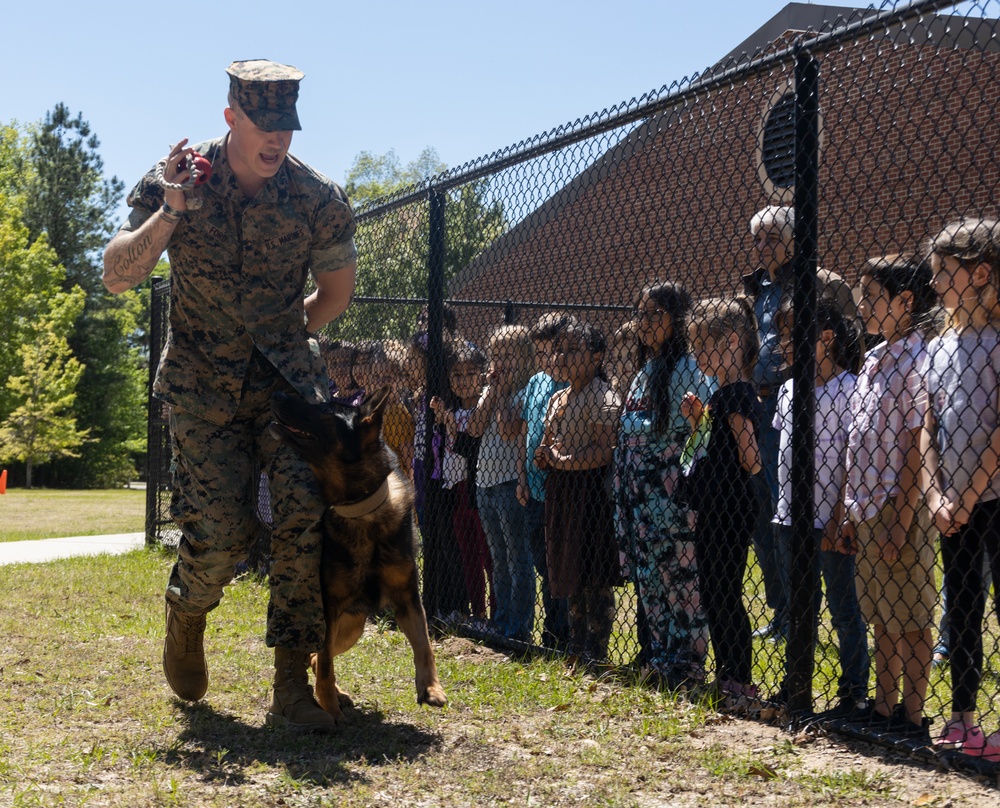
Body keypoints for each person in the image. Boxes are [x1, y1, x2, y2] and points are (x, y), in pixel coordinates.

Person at [103, 60, 357, 732]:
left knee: (305, 509)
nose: (278, 140)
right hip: (200, 388)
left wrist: (279, 334)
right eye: (264, 125)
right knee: (218, 534)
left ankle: (291, 688)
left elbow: (334, 295)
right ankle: (187, 613)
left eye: (287, 127)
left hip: (284, 389)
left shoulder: (318, 199)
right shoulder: (179, 180)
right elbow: (117, 276)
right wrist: (171, 211)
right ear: (230, 118)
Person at [744, 206, 857, 642]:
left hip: (816, 401)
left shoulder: (822, 281)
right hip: (765, 406)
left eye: (772, 237)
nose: (762, 246)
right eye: (757, 239)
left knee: (811, 511)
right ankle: (785, 612)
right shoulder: (755, 288)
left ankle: (814, 614)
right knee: (772, 516)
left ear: (794, 241)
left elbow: (851, 340)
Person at [840, 254, 938, 740]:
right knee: (881, 614)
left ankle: (914, 716)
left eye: (872, 297)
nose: (862, 306)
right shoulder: (875, 357)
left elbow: (916, 449)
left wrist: (901, 518)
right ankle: (884, 708)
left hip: (901, 507)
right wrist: (846, 508)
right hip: (865, 506)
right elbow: (857, 438)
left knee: (913, 616)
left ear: (906, 301)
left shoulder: (919, 360)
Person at [921, 218, 1000, 760]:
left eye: (943, 272)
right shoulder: (939, 346)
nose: (933, 284)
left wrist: (968, 495)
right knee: (963, 607)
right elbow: (927, 424)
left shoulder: (996, 342)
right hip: (950, 503)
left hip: (991, 498)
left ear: (980, 274)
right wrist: (936, 496)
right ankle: (963, 718)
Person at [771, 299, 869, 716]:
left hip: (829, 520)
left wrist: (839, 514)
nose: (782, 345)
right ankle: (797, 684)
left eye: (792, 336)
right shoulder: (789, 388)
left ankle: (853, 691)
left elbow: (852, 453)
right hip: (789, 517)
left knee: (845, 610)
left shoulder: (850, 388)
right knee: (798, 608)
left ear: (825, 338)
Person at [615, 283, 714, 687]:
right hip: (640, 498)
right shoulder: (644, 372)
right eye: (641, 313)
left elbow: (704, 430)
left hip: (672, 497)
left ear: (676, 320)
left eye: (655, 313)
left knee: (681, 581)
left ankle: (687, 664)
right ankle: (659, 656)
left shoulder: (688, 369)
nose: (645, 322)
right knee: (651, 580)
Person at [680, 297, 762, 711]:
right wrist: (700, 420)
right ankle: (727, 673)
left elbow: (750, 457)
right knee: (713, 590)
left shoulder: (737, 395)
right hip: (714, 505)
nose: (697, 355)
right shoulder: (719, 395)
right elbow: (713, 446)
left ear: (731, 341)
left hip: (731, 506)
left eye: (701, 345)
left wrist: (721, 426)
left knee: (724, 590)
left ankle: (739, 678)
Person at [536, 320, 622, 664]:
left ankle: (596, 647)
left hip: (591, 492)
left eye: (573, 349)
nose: (563, 356)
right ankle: (576, 644)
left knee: (593, 572)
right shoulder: (558, 397)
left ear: (597, 355)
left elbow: (605, 451)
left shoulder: (602, 395)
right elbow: (548, 443)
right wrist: (545, 457)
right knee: (568, 567)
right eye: (559, 349)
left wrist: (563, 460)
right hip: (561, 490)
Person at [469, 324, 535, 643]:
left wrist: (500, 394)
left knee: (516, 556)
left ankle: (519, 625)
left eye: (507, 355)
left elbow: (508, 429)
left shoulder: (525, 392)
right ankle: (501, 618)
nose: (500, 362)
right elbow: (475, 427)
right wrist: (492, 392)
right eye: (495, 356)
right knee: (497, 557)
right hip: (485, 480)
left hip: (511, 481)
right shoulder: (490, 391)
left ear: (524, 358)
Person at [513, 313, 573, 650]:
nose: (547, 360)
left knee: (558, 564)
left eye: (553, 352)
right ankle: (553, 627)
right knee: (541, 561)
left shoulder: (570, 384)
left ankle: (560, 633)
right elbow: (524, 430)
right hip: (533, 488)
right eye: (540, 354)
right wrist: (521, 477)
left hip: (560, 488)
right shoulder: (535, 382)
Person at [430, 343, 495, 623]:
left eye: (471, 373)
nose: (464, 380)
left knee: (489, 556)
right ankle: (476, 612)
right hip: (456, 490)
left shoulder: (484, 409)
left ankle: (497, 610)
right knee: (468, 556)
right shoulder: (451, 411)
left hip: (478, 486)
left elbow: (470, 445)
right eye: (457, 375)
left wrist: (453, 429)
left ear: (481, 376)